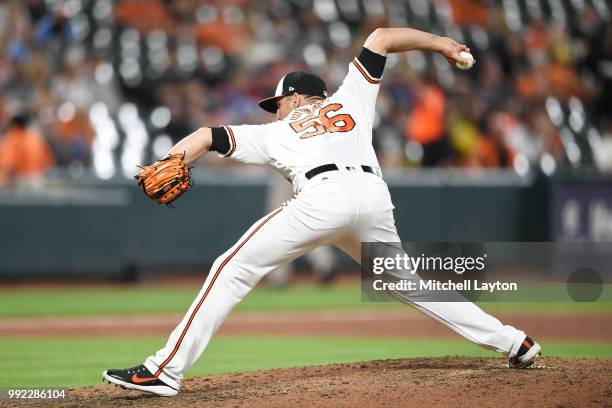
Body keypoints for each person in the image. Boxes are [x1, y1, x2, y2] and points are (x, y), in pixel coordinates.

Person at [103, 27, 541, 397]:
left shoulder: (277, 132)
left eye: (276, 104)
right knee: (409, 284)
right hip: (372, 196)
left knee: (231, 268)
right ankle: (513, 342)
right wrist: (441, 43)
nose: (275, 112)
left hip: (322, 198)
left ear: (295, 98)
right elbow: (383, 37)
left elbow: (204, 135)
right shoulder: (353, 98)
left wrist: (168, 159)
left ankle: (165, 371)